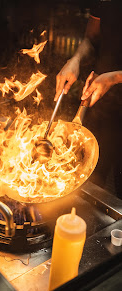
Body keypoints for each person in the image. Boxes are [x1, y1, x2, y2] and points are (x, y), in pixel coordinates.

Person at [54, 0, 122, 197]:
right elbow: (91, 39)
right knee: (88, 183)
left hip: (108, 86)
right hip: (101, 104)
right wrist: (75, 60)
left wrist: (115, 77)